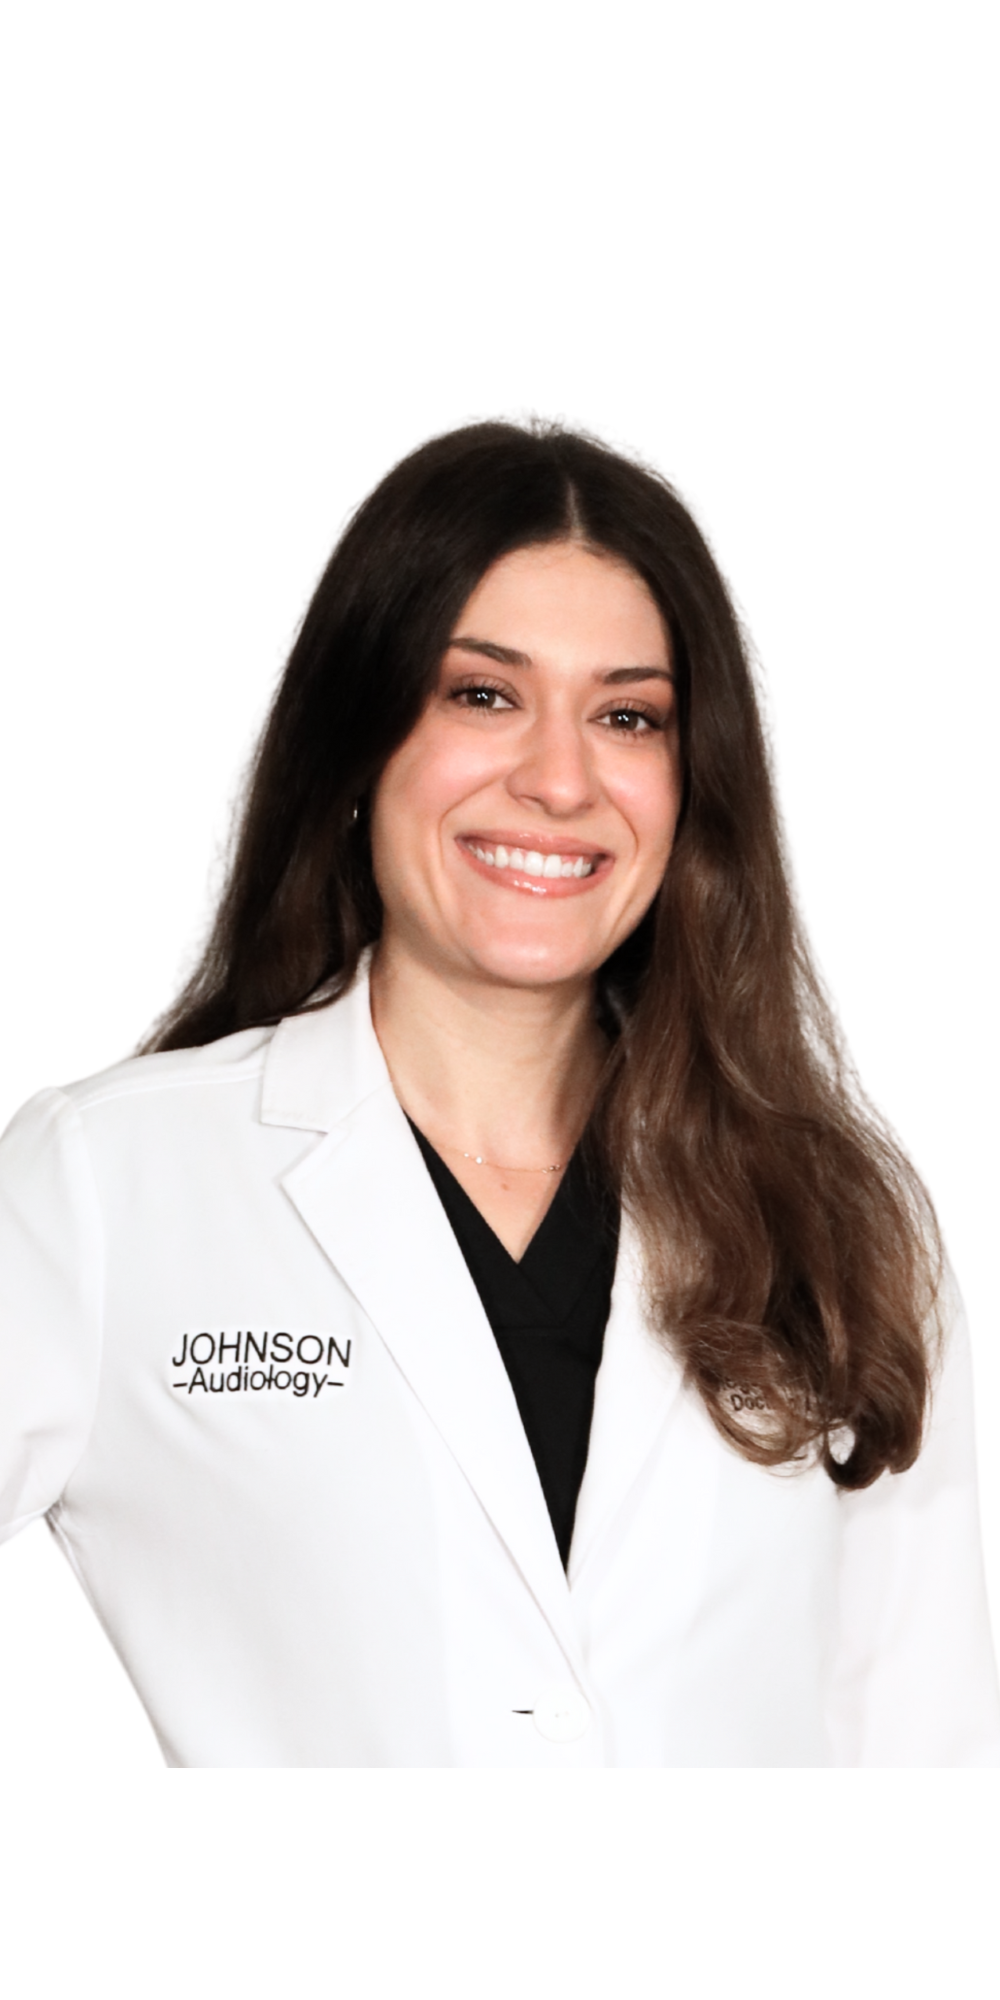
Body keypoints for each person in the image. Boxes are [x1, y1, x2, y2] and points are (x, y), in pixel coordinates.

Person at [1, 420, 997, 1767]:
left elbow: (931, 1772)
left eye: (627, 716)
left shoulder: (833, 1225)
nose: (560, 780)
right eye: (483, 695)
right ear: (359, 745)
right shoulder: (111, 1185)